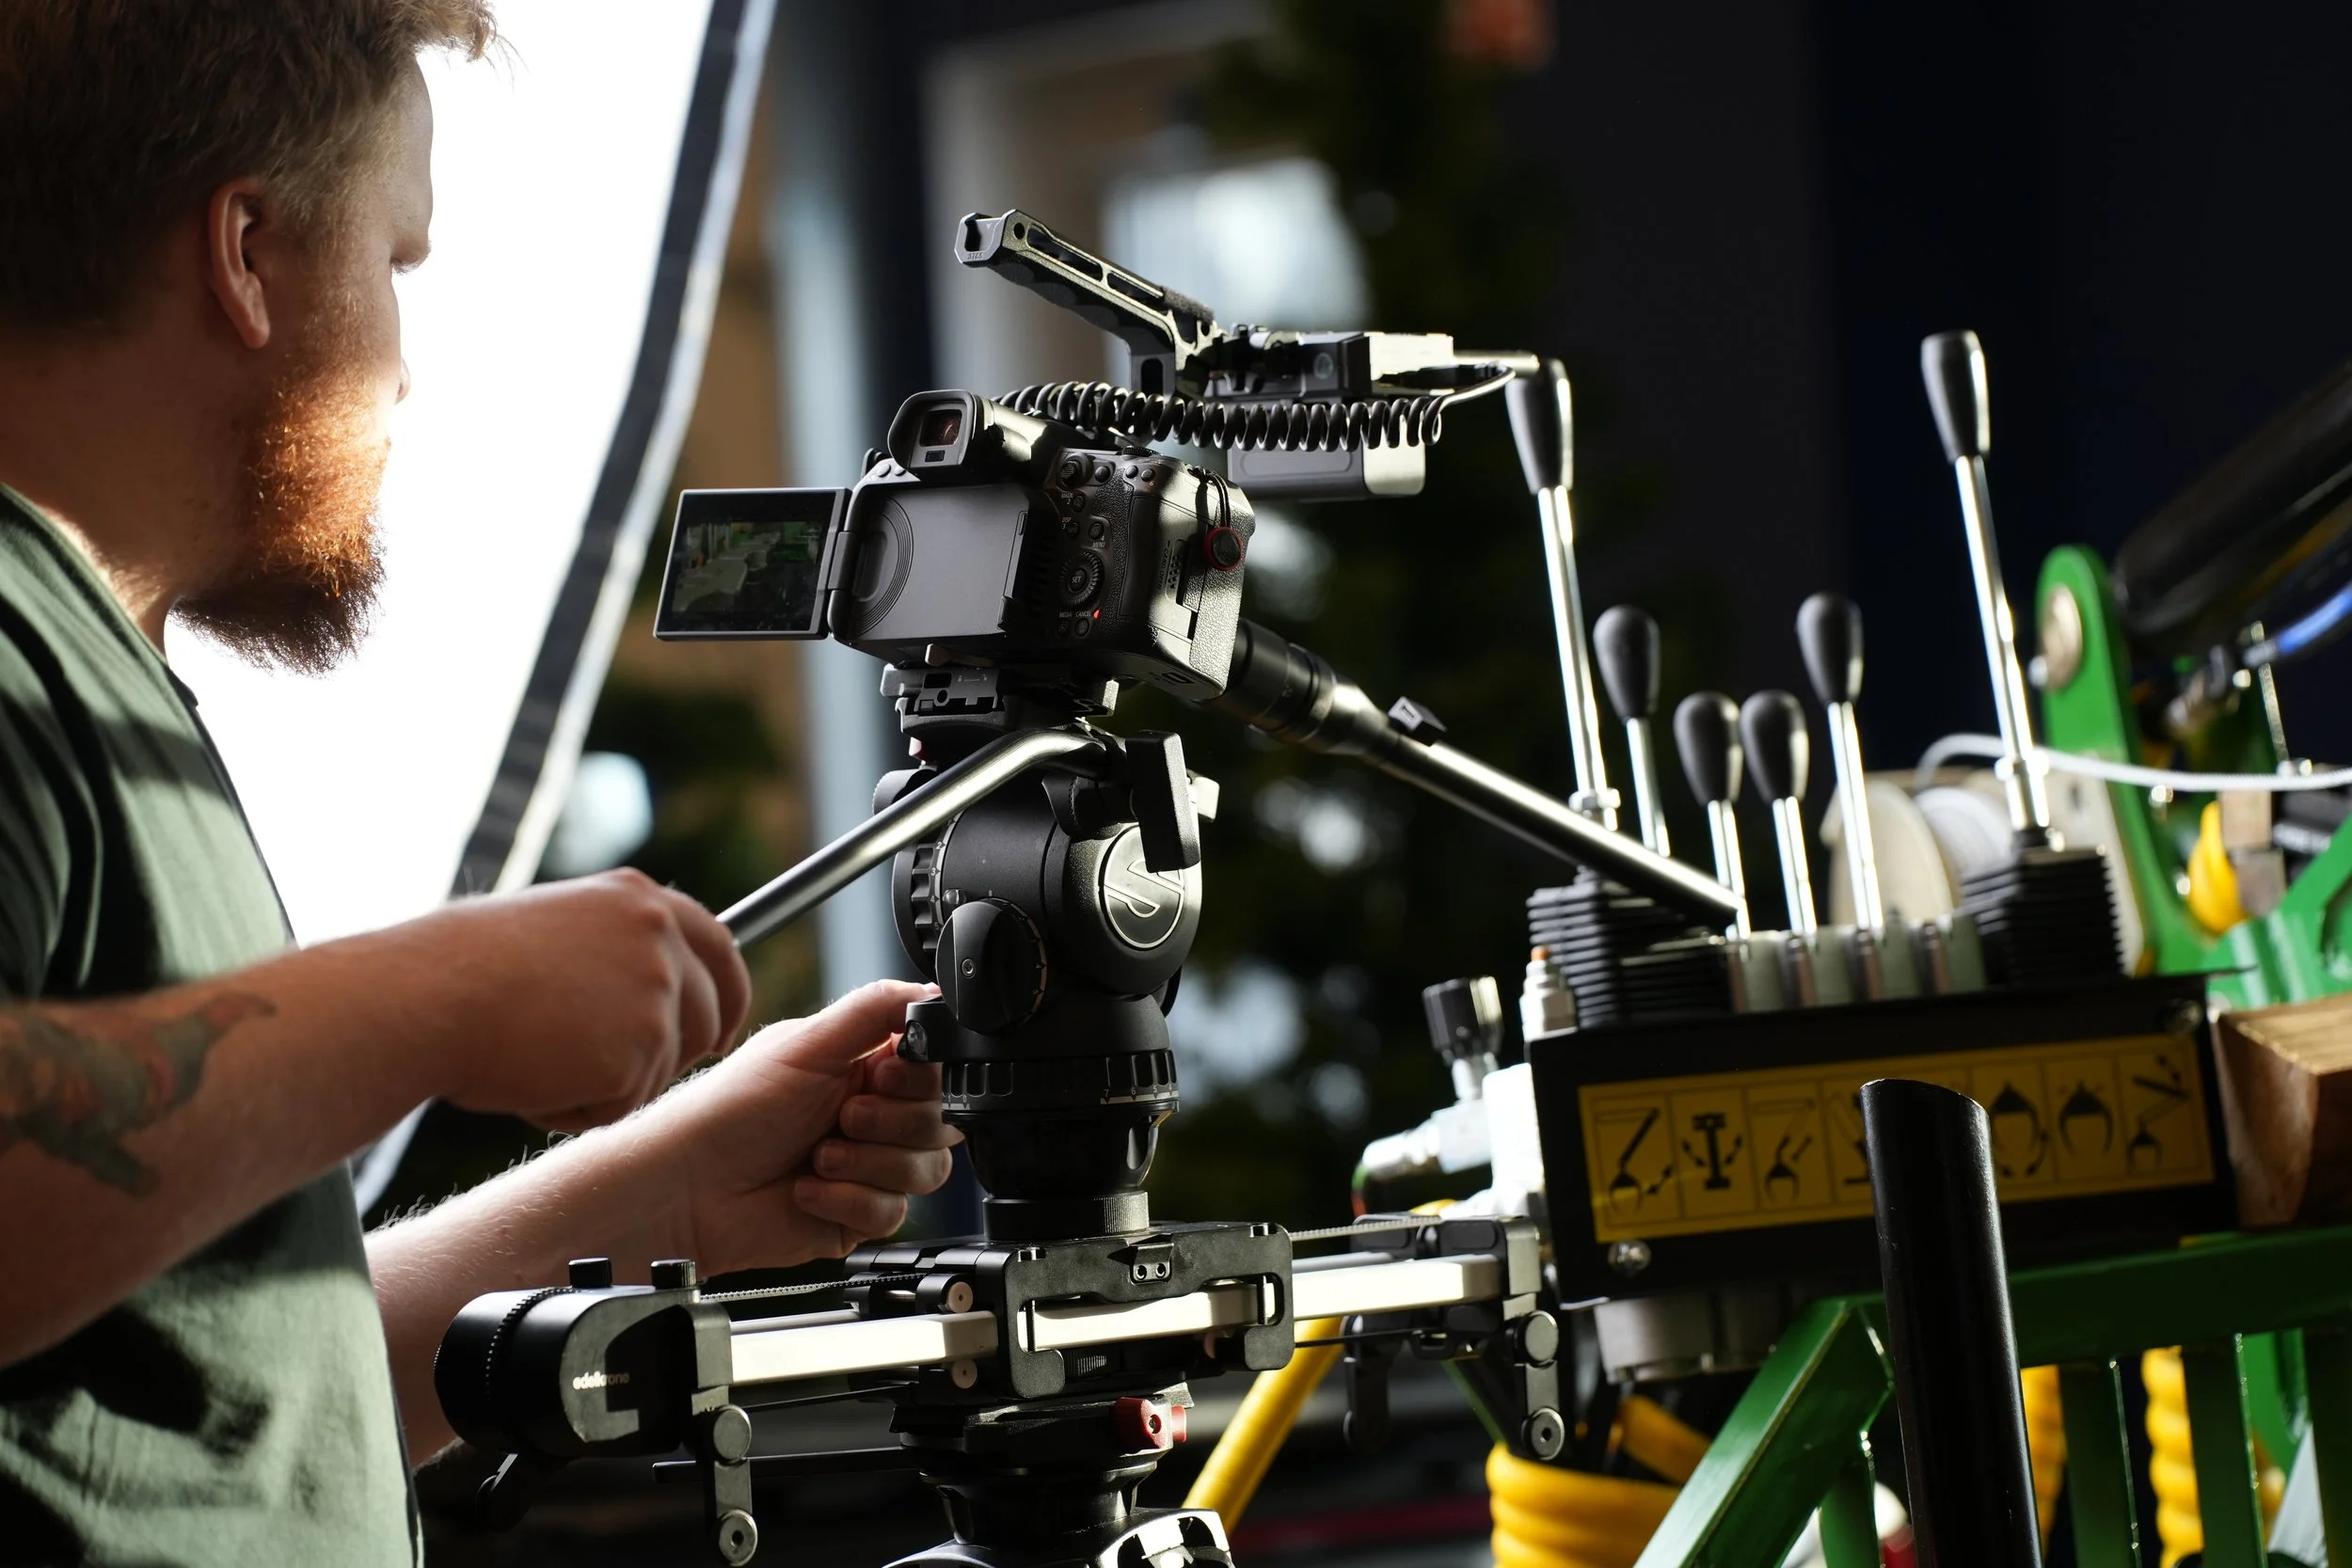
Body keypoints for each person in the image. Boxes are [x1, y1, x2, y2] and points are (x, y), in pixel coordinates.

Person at [0, 4, 957, 1560]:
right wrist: (445, 990)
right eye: (395, 263)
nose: (404, 369)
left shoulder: (101, 669)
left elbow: (221, 1394)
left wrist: (667, 1194)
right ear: (247, 254)